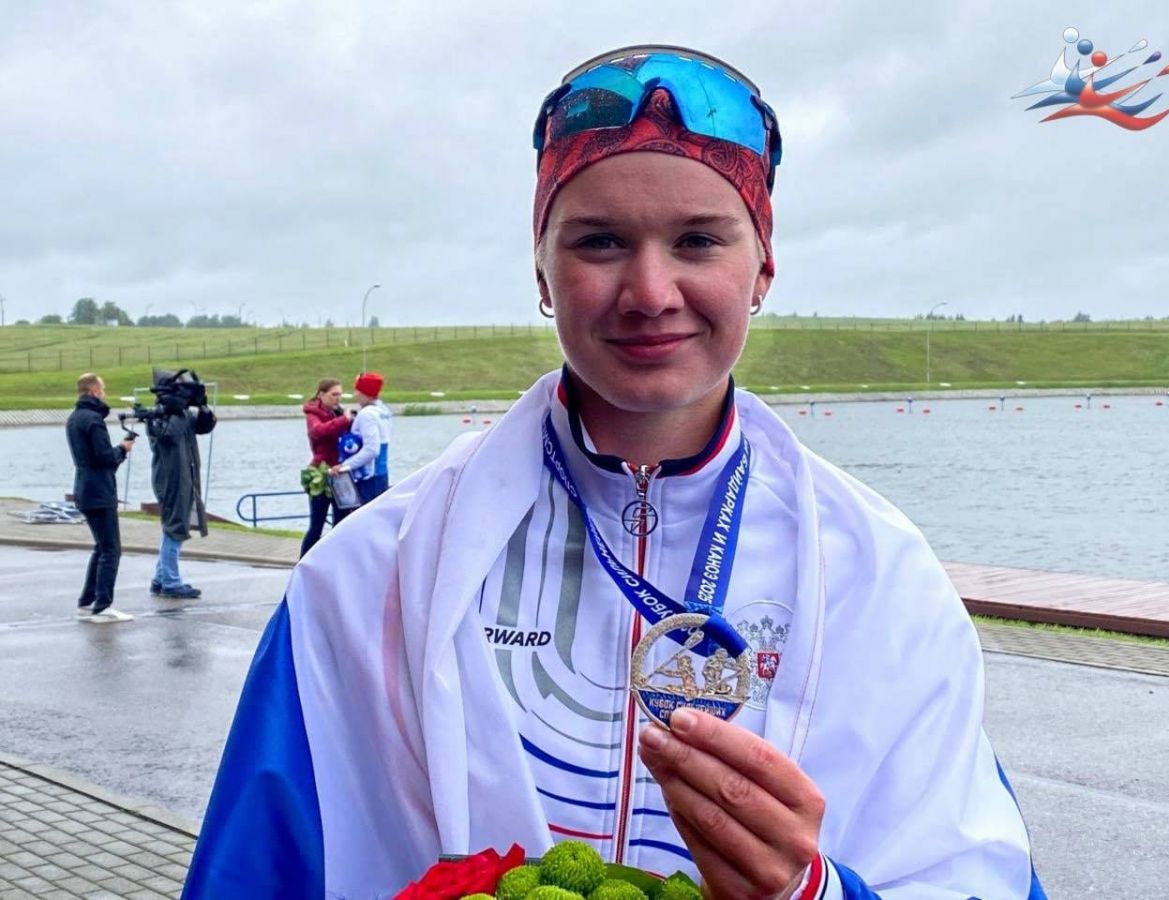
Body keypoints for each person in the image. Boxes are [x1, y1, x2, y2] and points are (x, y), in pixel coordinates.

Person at [184, 46, 1045, 899]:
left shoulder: (881, 577)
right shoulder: (367, 575)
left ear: (763, 268)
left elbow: (972, 876)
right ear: (542, 269)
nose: (650, 292)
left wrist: (814, 892)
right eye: (599, 242)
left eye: (699, 241)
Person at [65, 373, 136, 624]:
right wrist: (123, 449)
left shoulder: (74, 418)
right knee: (111, 550)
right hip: (100, 490)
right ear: (94, 391)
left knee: (101, 547)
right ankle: (103, 606)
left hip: (84, 488)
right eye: (102, 389)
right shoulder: (94, 420)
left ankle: (87, 602)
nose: (104, 393)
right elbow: (105, 457)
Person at [146, 368, 217, 600]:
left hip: (185, 477)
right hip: (170, 479)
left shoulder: (182, 413)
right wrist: (176, 409)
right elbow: (169, 436)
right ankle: (171, 582)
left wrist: (202, 406)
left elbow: (204, 427)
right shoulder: (158, 415)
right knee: (174, 528)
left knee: (173, 527)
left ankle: (161, 577)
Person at [299, 378, 355, 557]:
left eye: (340, 394)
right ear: (321, 395)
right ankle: (303, 562)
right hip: (321, 473)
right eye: (334, 394)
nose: (338, 398)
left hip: (339, 472)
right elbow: (318, 431)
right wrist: (344, 420)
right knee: (316, 525)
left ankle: (334, 562)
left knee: (341, 524)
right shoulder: (313, 414)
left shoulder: (337, 412)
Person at [329, 371, 392, 506]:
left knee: (364, 517)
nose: (355, 394)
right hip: (382, 474)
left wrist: (344, 466)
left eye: (357, 390)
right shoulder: (383, 411)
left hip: (368, 478)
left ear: (366, 393)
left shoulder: (366, 414)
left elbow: (371, 450)